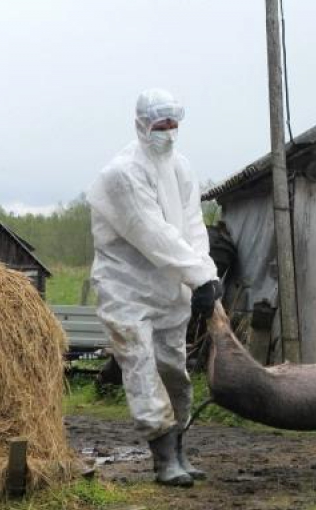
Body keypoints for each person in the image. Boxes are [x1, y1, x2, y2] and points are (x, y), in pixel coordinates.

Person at [87, 88, 221, 487]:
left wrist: (206, 272)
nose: (168, 132)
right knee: (143, 371)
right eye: (161, 125)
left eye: (173, 124)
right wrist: (196, 275)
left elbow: (194, 225)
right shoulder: (120, 174)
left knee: (173, 372)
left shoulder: (181, 168)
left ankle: (179, 448)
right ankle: (163, 459)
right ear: (142, 125)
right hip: (127, 291)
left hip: (169, 291)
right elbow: (152, 233)